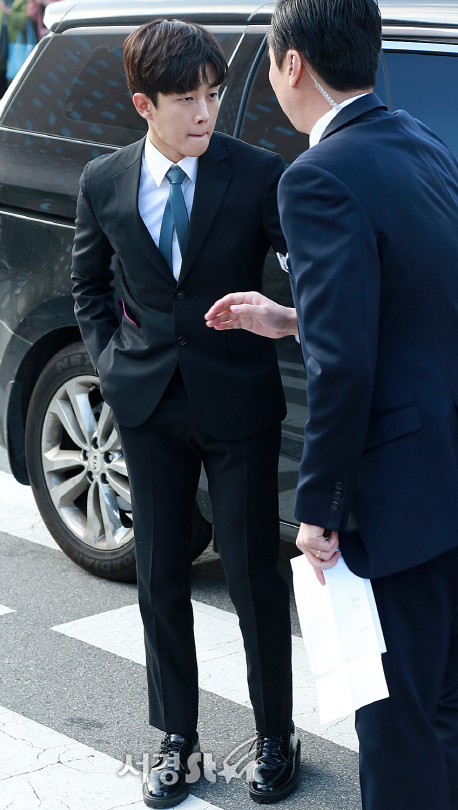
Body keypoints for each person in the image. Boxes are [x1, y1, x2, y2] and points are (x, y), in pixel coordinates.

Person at [205, 1, 458, 808]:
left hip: (395, 498)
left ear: (291, 65)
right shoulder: (418, 141)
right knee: (443, 705)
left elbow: (347, 364)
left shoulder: (315, 176)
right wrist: (288, 319)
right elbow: (412, 302)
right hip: (446, 471)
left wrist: (320, 506)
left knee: (396, 726)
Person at [71, 18, 299, 808]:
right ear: (144, 103)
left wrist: (277, 309)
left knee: (251, 575)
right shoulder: (103, 180)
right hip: (147, 406)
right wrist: (108, 361)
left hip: (238, 404)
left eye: (212, 93)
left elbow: (305, 270)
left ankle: (275, 736)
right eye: (186, 99)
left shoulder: (258, 172)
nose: (205, 111)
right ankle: (177, 740)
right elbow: (89, 287)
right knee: (160, 577)